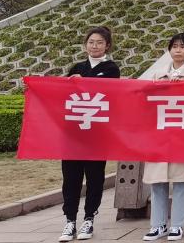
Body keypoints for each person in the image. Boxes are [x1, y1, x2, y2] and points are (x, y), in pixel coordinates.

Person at [141, 33, 184, 243]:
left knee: (181, 182)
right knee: (157, 183)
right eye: (174, 46)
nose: (178, 50)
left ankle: (177, 225)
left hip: (183, 136)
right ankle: (158, 225)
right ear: (169, 50)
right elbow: (146, 104)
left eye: (183, 46)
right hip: (159, 137)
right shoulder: (158, 75)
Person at [58, 26, 121, 243]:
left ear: (107, 46)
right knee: (71, 178)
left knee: (94, 178)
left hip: (97, 133)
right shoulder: (77, 68)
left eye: (99, 42)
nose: (94, 46)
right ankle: (69, 220)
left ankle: (89, 218)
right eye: (91, 42)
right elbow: (61, 94)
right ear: (85, 45)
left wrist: (82, 81)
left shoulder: (111, 68)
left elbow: (107, 90)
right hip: (74, 134)